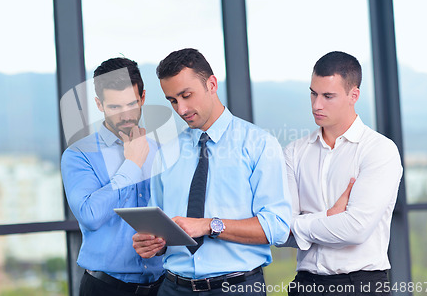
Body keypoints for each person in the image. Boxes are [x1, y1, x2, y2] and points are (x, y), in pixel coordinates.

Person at [132, 48, 291, 295]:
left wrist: (210, 225)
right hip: (174, 287)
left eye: (186, 95)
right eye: (173, 100)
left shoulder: (259, 144)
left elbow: (277, 227)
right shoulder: (167, 153)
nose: (181, 109)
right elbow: (162, 224)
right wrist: (154, 243)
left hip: (237, 288)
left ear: (212, 84)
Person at [283, 51, 403, 296]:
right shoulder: (294, 152)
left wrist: (301, 225)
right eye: (313, 93)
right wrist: (328, 216)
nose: (317, 104)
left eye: (328, 96)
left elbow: (355, 229)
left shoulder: (380, 150)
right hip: (304, 285)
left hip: (361, 286)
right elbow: (280, 231)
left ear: (353, 95)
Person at [61, 57, 164, 296]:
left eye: (131, 104)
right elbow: (90, 216)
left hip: (162, 286)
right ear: (100, 104)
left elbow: (174, 211)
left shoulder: (161, 151)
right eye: (115, 107)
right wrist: (132, 164)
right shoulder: (78, 155)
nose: (126, 115)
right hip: (105, 288)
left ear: (143, 98)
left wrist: (163, 244)